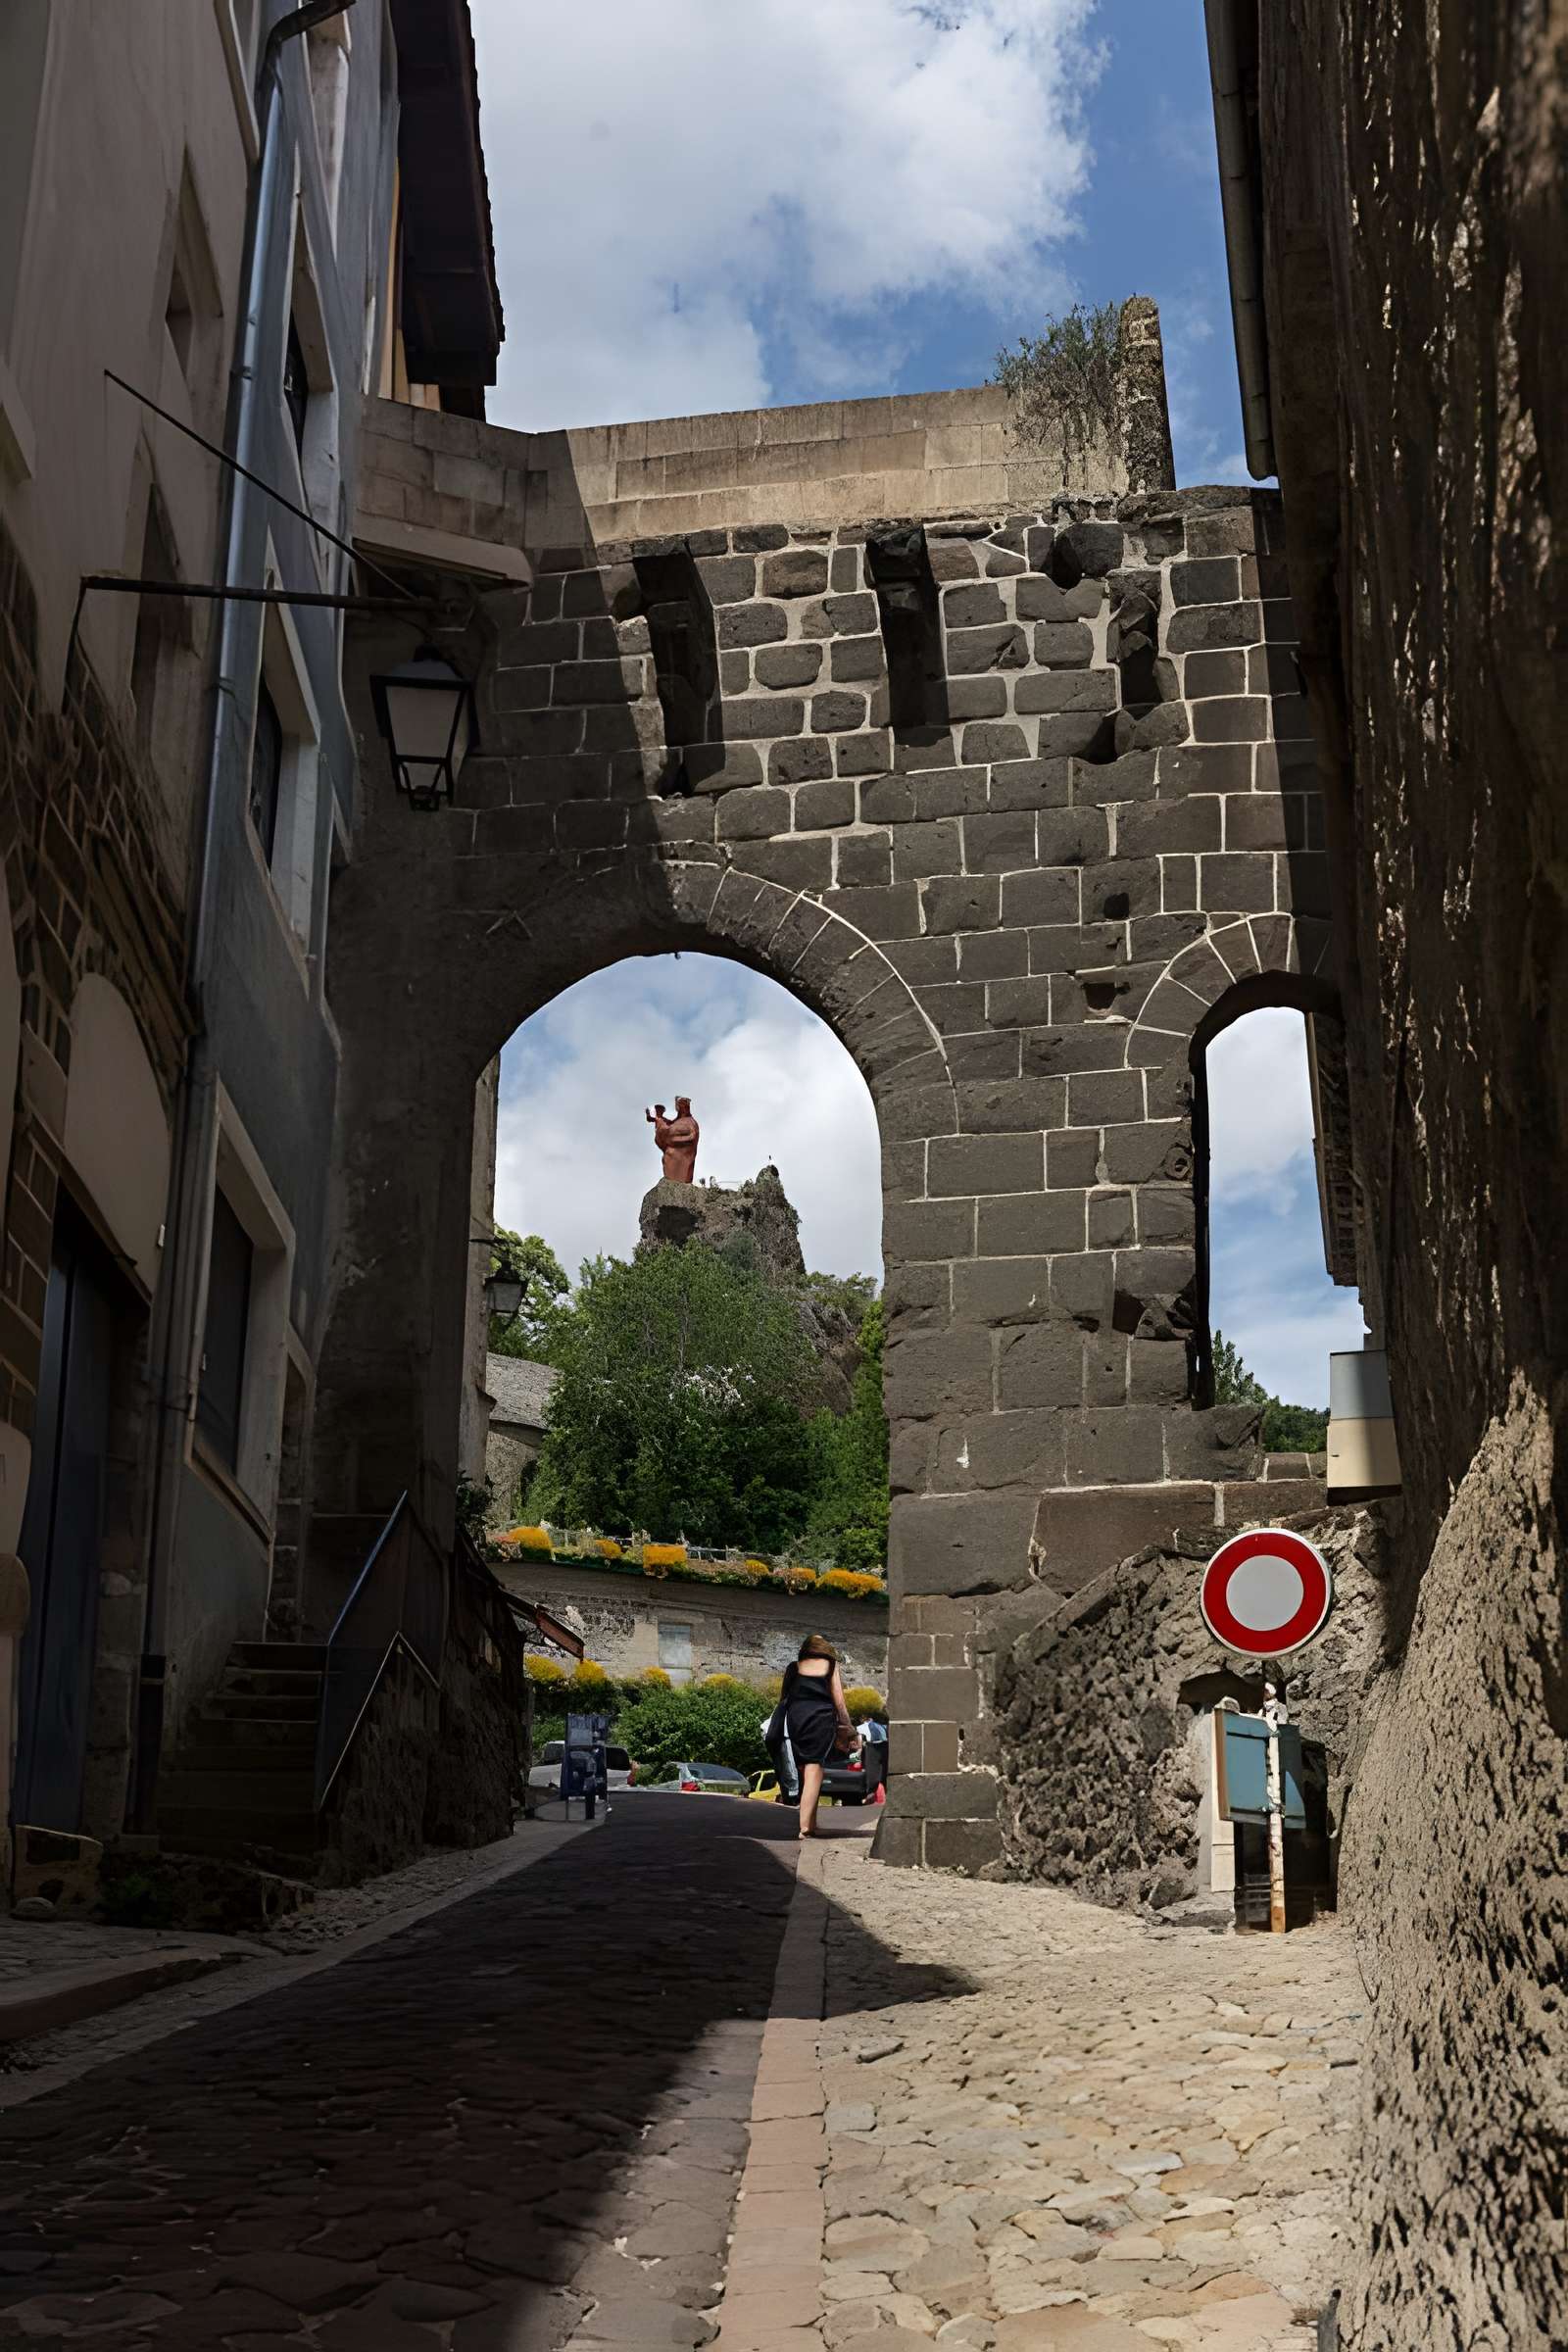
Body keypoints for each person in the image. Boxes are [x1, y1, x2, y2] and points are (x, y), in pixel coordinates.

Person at [776, 1635, 857, 1839]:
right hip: (820, 1718)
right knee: (814, 1769)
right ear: (825, 1648)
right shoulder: (830, 1665)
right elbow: (839, 1700)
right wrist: (847, 1725)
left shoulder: (793, 1668)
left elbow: (783, 1699)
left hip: (796, 1719)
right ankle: (805, 1826)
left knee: (806, 1769)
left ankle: (811, 1823)